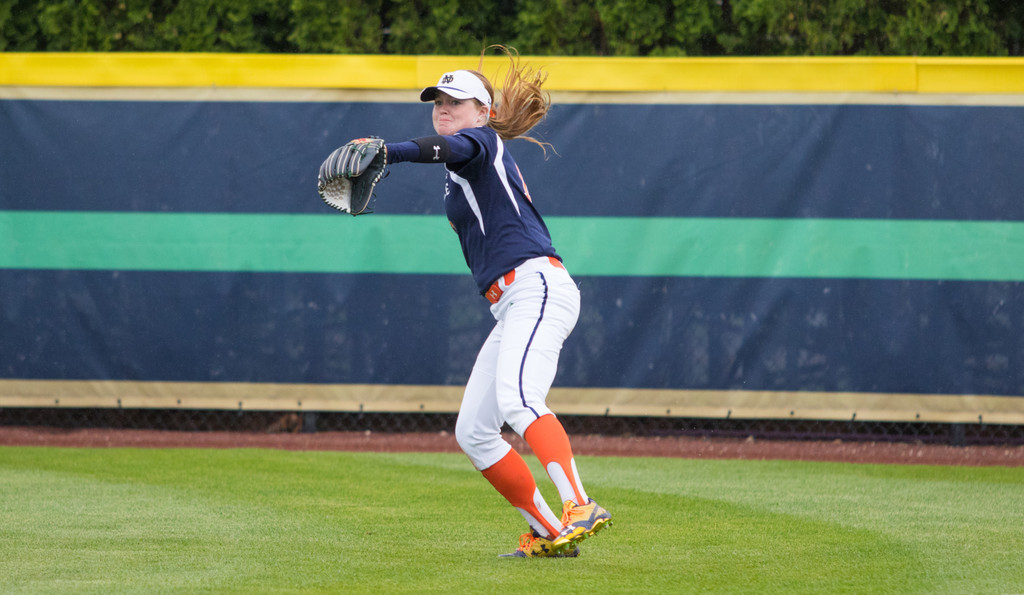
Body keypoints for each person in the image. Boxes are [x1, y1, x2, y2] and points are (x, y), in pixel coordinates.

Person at [359, 45, 610, 558]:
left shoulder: (481, 142)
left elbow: (445, 148)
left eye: (456, 100)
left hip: (536, 286)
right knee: (473, 431)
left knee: (520, 400)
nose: (444, 108)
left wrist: (391, 152)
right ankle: (549, 531)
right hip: (513, 300)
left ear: (484, 112)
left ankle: (580, 503)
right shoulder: (463, 166)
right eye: (438, 101)